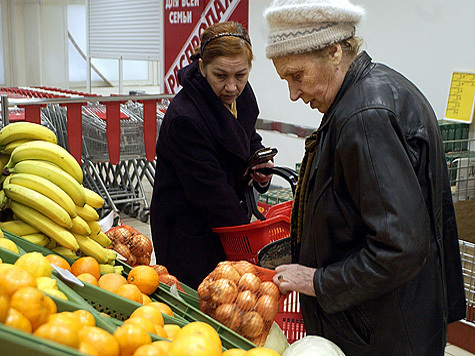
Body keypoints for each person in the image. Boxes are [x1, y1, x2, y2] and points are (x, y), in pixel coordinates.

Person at [263, 0, 466, 355]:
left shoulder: (364, 116)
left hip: (384, 335)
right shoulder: (378, 87)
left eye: (298, 76)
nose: (293, 94)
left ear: (335, 52)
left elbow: (398, 247)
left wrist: (316, 281)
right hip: (398, 320)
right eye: (286, 80)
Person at [150, 21, 273, 289]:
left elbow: (247, 134)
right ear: (202, 67)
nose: (231, 86)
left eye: (240, 75)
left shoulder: (241, 95)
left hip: (225, 221)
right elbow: (211, 194)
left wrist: (259, 160)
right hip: (190, 233)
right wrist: (251, 242)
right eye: (221, 76)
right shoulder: (186, 118)